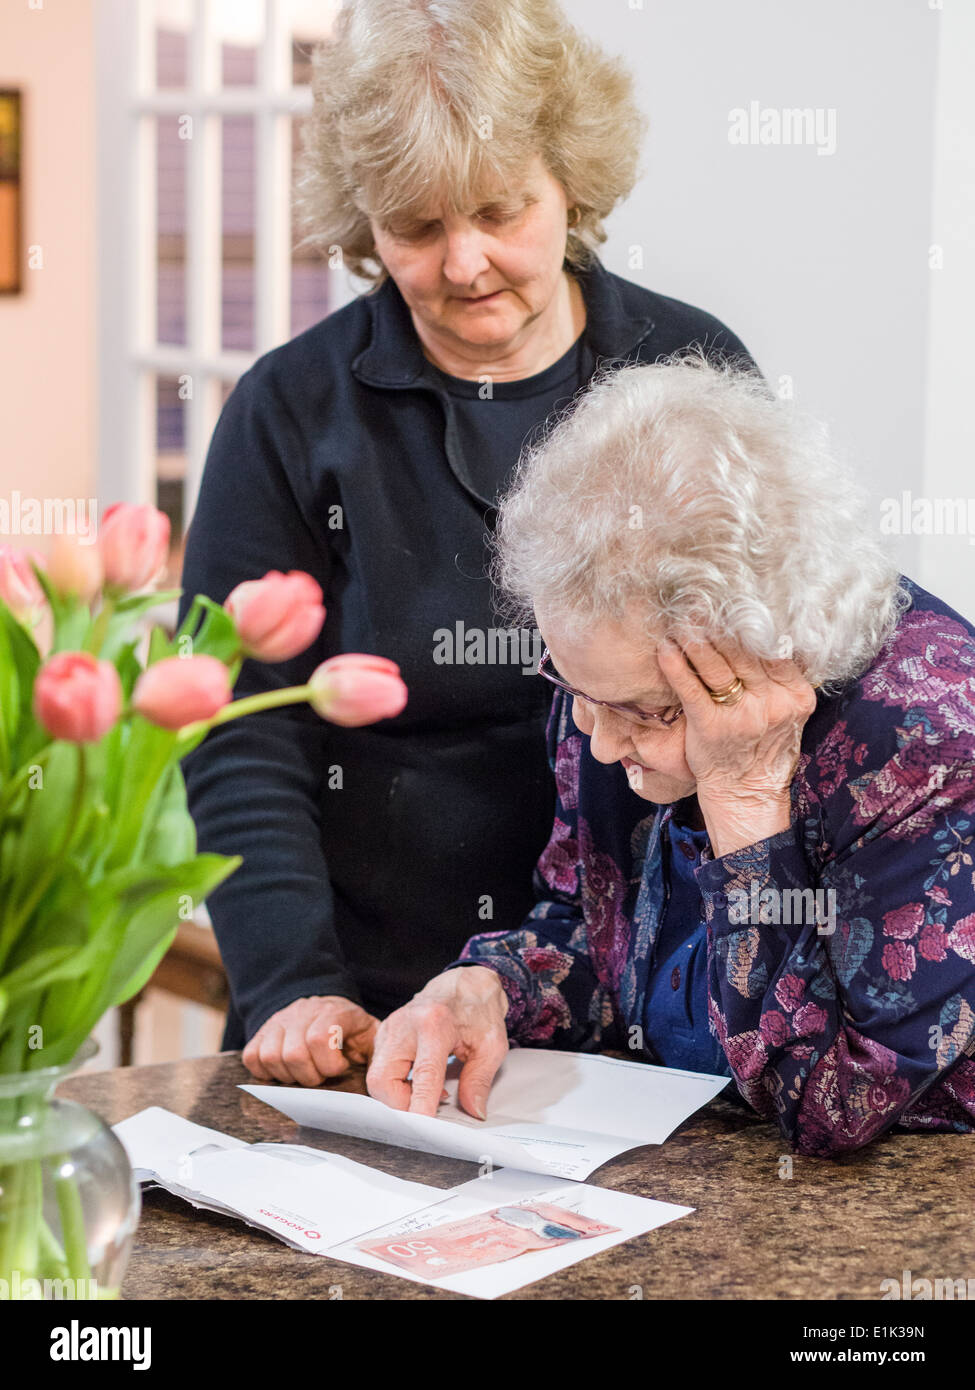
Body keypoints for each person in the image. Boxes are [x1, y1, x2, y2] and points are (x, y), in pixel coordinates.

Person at [177, 0, 758, 1085]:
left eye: (501, 209)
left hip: (645, 1003)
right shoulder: (291, 411)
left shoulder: (687, 373)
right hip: (365, 1001)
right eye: (419, 226)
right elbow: (237, 726)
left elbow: (760, 689)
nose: (467, 262)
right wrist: (293, 982)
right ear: (365, 220)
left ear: (570, 182)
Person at [366, 355, 975, 1158]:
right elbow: (591, 923)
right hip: (684, 1159)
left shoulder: (928, 745)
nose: (599, 739)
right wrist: (486, 990)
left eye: (645, 713)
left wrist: (746, 797)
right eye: (573, 687)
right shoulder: (608, 675)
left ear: (764, 653)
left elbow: (837, 1105)